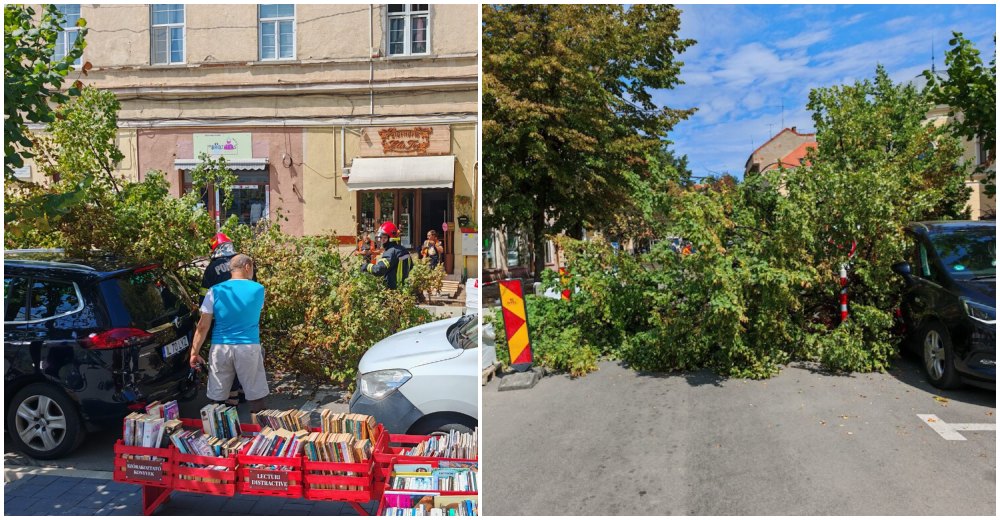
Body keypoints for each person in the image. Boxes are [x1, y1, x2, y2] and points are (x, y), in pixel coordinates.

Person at [189, 254, 269, 412]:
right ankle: (260, 434)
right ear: (247, 267)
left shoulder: (214, 291)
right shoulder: (258, 289)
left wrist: (194, 352)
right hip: (248, 347)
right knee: (255, 396)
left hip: (221, 347)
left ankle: (219, 434)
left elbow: (203, 326)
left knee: (217, 397)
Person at [201, 232, 250, 406]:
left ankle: (232, 395)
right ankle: (244, 391)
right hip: (246, 319)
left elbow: (204, 298)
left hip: (223, 320)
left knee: (226, 358)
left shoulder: (211, 269)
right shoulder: (245, 263)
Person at [361, 221, 413, 289]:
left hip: (392, 290)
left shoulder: (391, 252)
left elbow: (379, 270)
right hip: (403, 289)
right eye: (381, 238)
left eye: (384, 238)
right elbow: (411, 266)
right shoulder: (404, 250)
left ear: (390, 238)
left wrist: (366, 266)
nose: (382, 240)